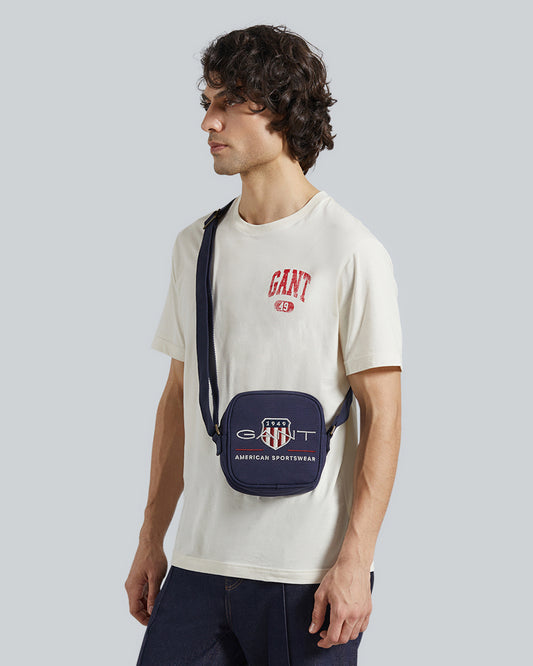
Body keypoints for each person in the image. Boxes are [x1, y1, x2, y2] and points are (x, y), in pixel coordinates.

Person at [125, 23, 403, 665]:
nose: (208, 122)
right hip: (197, 567)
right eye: (207, 103)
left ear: (281, 109)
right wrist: (150, 538)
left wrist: (356, 561)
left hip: (306, 576)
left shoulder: (350, 249)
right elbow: (177, 399)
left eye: (228, 103)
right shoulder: (196, 246)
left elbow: (383, 415)